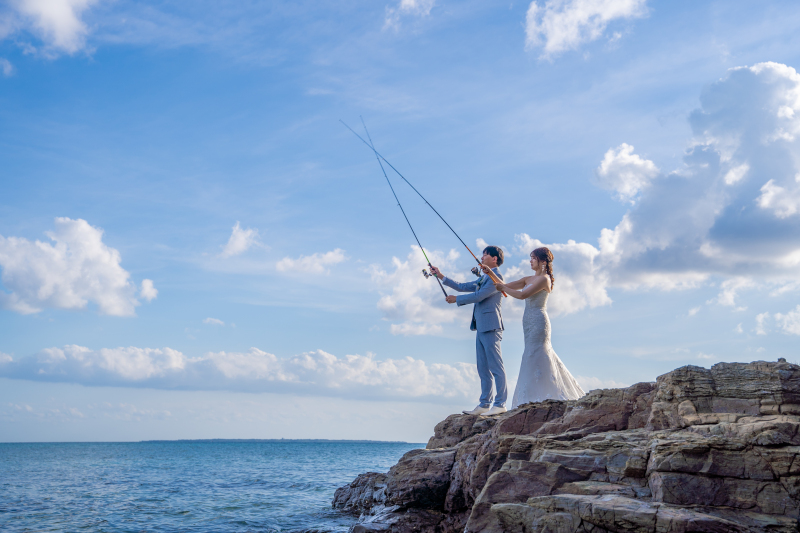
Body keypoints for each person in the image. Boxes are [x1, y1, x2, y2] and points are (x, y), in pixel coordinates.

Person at [492, 247, 584, 408]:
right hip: (527, 322)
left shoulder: (544, 280)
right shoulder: (527, 279)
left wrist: (504, 289)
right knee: (530, 353)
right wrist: (489, 272)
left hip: (539, 321)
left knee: (538, 353)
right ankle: (531, 397)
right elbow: (503, 285)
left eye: (533, 258)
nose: (530, 261)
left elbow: (521, 295)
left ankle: (546, 394)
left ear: (542, 261)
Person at [429, 246, 507, 416]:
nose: (482, 256)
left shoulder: (497, 277)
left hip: (491, 325)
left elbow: (479, 296)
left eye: (486, 254)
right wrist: (440, 275)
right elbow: (462, 286)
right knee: (482, 367)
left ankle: (500, 403)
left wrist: (456, 300)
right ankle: (485, 403)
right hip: (481, 326)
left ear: (494, 259)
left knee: (496, 366)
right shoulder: (485, 277)